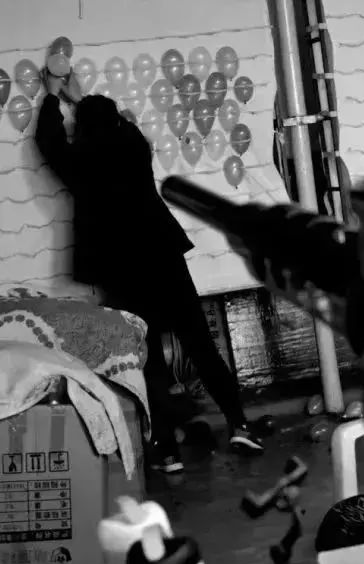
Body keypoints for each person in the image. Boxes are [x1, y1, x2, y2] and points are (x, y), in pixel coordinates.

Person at [34, 69, 264, 473]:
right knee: (200, 344)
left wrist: (53, 96)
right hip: (163, 257)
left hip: (118, 268)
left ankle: (168, 451)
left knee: (147, 357)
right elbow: (122, 125)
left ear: (80, 130)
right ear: (116, 122)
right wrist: (80, 99)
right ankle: (239, 424)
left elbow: (48, 140)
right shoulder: (134, 147)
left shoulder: (77, 161)